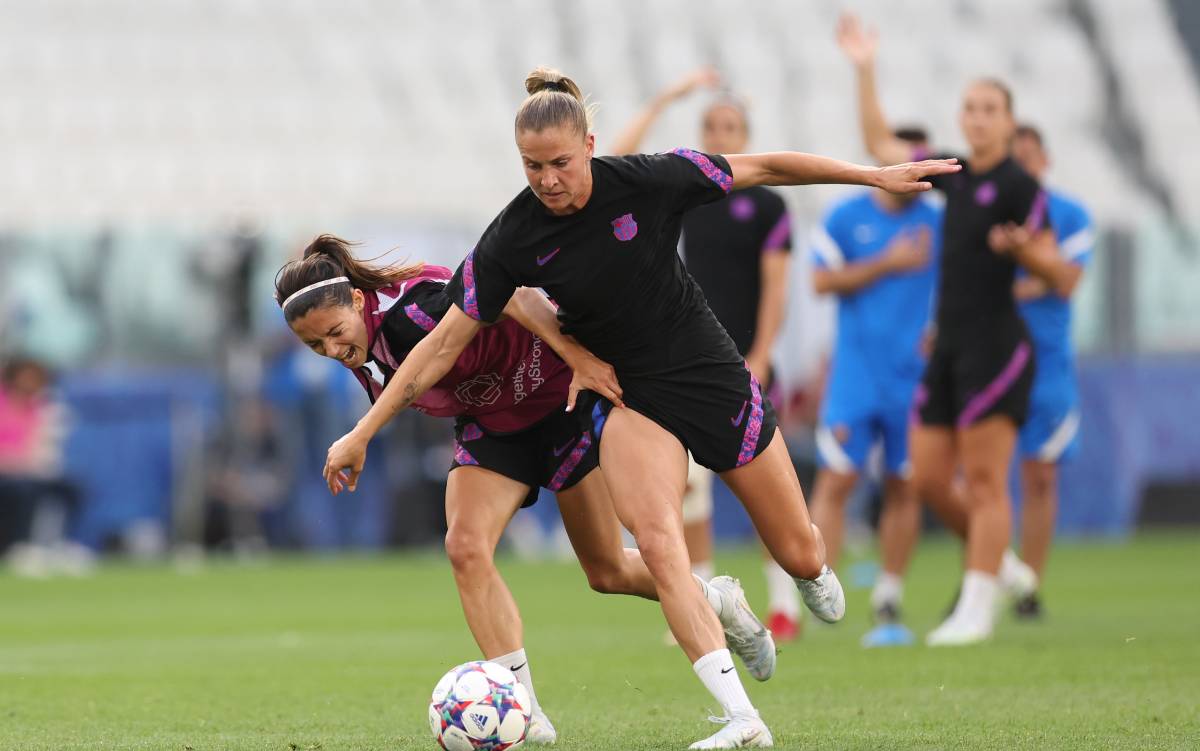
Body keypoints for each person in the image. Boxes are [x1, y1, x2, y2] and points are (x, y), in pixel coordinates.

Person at [319, 66, 958, 748]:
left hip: (708, 375)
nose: (547, 180)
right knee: (659, 543)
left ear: (589, 145)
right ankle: (744, 718)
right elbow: (444, 342)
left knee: (800, 552)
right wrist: (363, 430)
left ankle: (810, 570)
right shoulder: (511, 236)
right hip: (629, 394)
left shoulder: (648, 180)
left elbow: (766, 165)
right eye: (532, 166)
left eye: (560, 163)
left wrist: (874, 175)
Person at [274, 235, 777, 745]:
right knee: (465, 547)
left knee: (607, 570)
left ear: (358, 301)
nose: (332, 351)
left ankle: (718, 604)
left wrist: (569, 352)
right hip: (495, 428)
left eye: (334, 333)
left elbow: (509, 292)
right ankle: (524, 710)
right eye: (316, 346)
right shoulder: (365, 348)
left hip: (565, 403)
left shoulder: (415, 309)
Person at [838, 14, 1063, 646]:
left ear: (1009, 120)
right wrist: (863, 66)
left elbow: (1058, 271)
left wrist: (1024, 250)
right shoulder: (957, 174)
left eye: (990, 108)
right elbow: (881, 144)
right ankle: (1005, 563)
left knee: (989, 482)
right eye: (970, 108)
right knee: (927, 479)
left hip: (998, 346)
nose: (978, 117)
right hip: (949, 345)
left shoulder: (1021, 185)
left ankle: (977, 603)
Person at [609, 69, 802, 640]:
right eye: (711, 126)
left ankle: (784, 600)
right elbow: (611, 164)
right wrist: (665, 96)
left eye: (731, 126)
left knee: (763, 486)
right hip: (685, 364)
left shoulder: (767, 207)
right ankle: (703, 596)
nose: (721, 135)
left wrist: (762, 353)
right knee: (689, 490)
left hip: (744, 359)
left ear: (748, 135)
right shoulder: (683, 195)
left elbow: (777, 287)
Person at [806, 126, 941, 647]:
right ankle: (822, 589)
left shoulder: (937, 222)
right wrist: (887, 263)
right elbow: (820, 282)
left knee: (905, 486)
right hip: (856, 376)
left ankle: (888, 592)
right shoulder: (845, 217)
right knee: (836, 483)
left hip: (914, 379)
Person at [1011, 124, 1093, 619]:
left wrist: (1023, 258)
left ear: (1045, 160)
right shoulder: (988, 213)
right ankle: (986, 575)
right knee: (979, 476)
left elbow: (1065, 281)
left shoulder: (1070, 213)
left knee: (1039, 474)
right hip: (993, 357)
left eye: (1029, 157)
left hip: (1046, 362)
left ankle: (1029, 585)